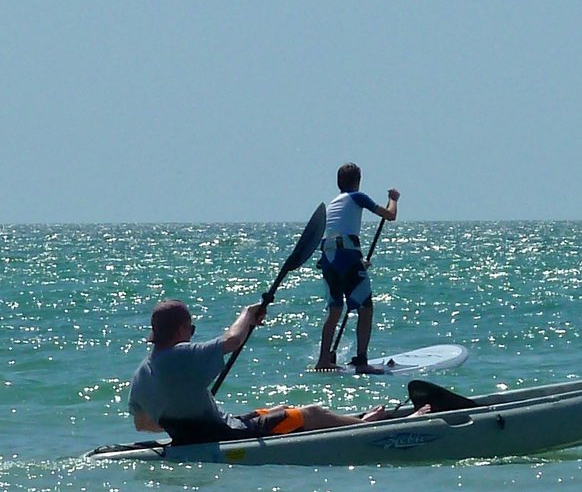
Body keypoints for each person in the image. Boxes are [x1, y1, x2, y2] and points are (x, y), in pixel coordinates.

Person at [131, 298, 411, 445]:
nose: (192, 335)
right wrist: (247, 315)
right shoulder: (181, 355)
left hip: (202, 434)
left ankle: (356, 420)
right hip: (228, 435)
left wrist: (186, 418)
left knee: (276, 410)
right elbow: (232, 341)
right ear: (181, 330)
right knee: (312, 413)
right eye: (191, 330)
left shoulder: (142, 372)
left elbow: (143, 424)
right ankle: (372, 429)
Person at [315, 163, 399, 371]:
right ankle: (361, 361)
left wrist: (358, 262)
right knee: (365, 308)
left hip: (329, 258)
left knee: (334, 310)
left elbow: (337, 236)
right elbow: (389, 215)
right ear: (357, 181)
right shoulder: (357, 196)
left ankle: (323, 360)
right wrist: (393, 199)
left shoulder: (333, 203)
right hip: (346, 255)